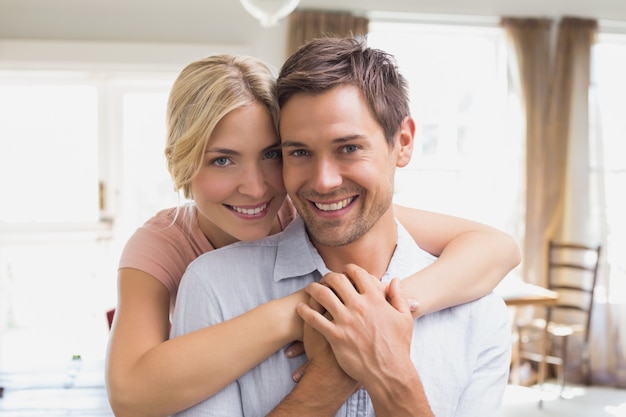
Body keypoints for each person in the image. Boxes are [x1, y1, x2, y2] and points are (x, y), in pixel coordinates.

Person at [106, 53, 520, 417]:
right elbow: (130, 393)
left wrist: (378, 313)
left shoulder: (309, 205)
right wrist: (327, 311)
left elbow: (496, 247)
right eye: (222, 160)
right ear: (182, 162)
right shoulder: (170, 248)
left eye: (272, 155)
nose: (254, 187)